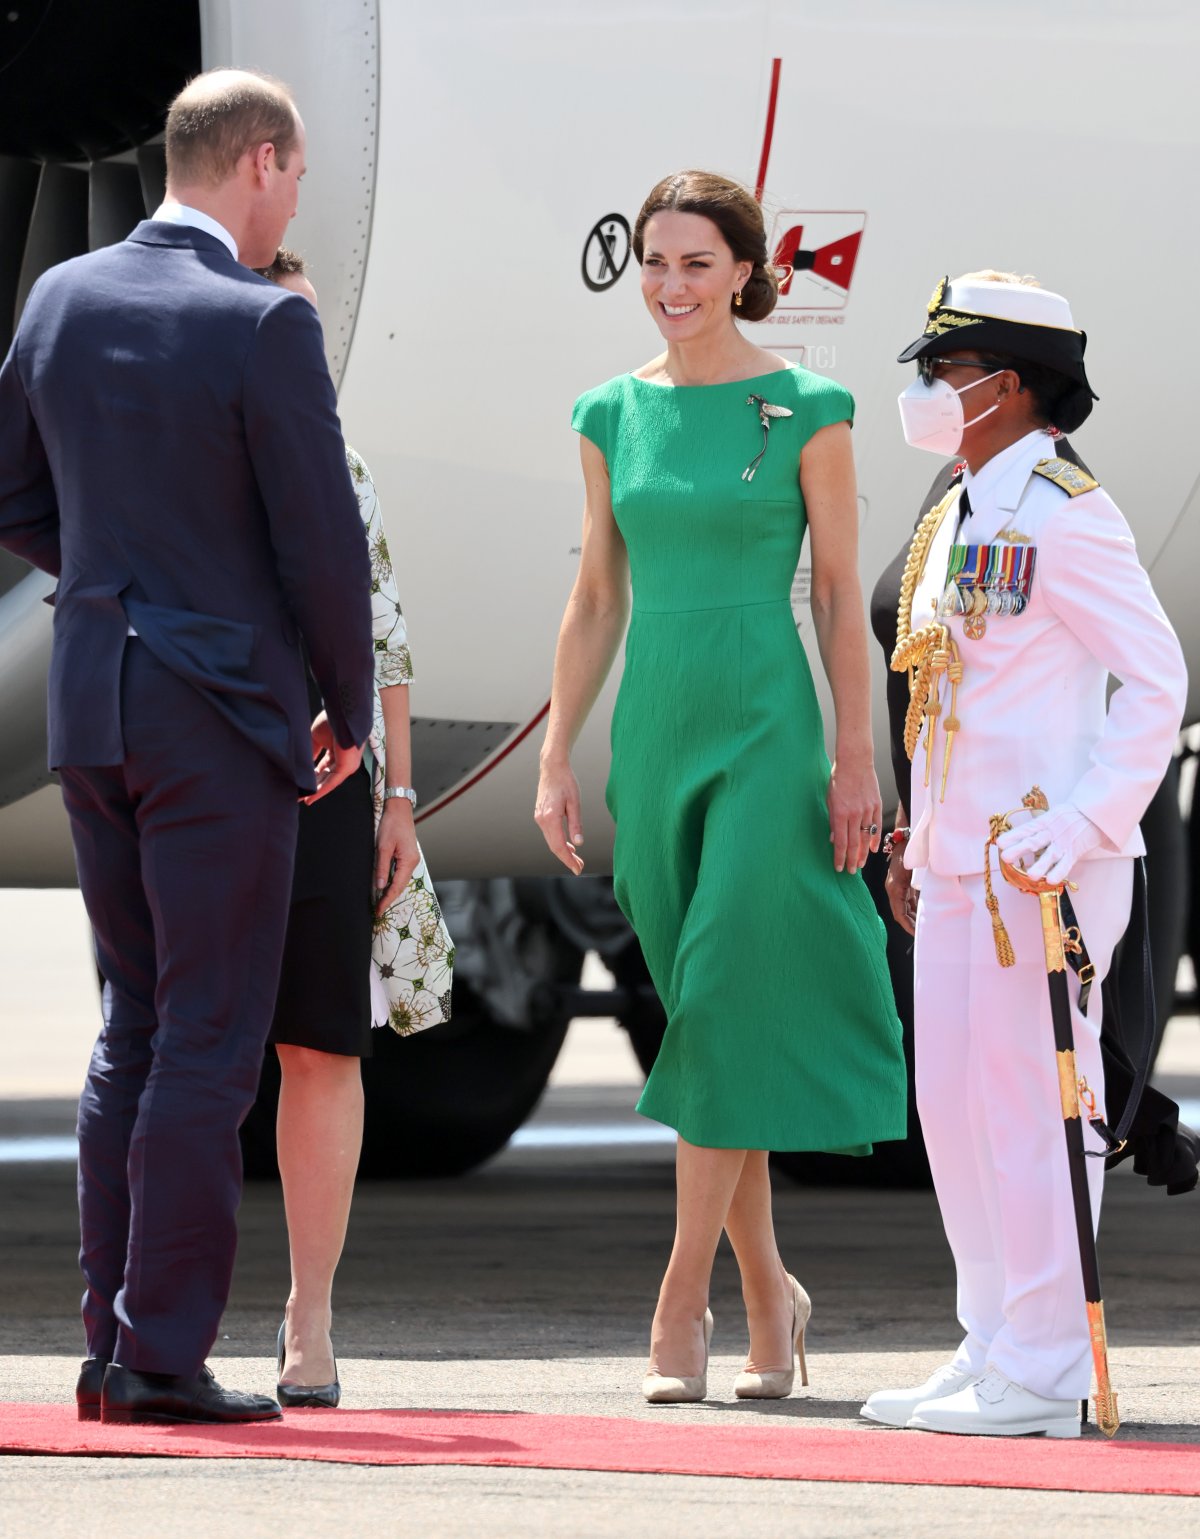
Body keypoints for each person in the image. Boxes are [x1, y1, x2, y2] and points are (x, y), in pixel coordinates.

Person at [0, 69, 375, 1426]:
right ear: (264, 162)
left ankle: (109, 1344)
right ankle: (163, 1352)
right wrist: (342, 699)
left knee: (137, 1027)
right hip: (215, 709)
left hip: (94, 697)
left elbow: (10, 490)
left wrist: (116, 576)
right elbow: (324, 548)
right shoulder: (263, 322)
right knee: (214, 1034)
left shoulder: (62, 296)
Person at [535, 170, 906, 1404]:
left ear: (745, 269)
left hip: (765, 725)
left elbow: (843, 598)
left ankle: (681, 1292)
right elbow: (596, 600)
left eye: (696, 263)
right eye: (654, 261)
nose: (670, 286)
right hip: (655, 731)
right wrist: (554, 756)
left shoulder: (811, 406)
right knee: (709, 1007)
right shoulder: (607, 411)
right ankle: (770, 1294)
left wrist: (859, 758)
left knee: (726, 993)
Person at [862, 273, 1187, 1437]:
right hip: (958, 863)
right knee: (952, 1107)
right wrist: (919, 833)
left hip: (1040, 868)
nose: (926, 391)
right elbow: (949, 690)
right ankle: (993, 1339)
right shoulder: (959, 505)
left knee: (1036, 1110)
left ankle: (1049, 1364)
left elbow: (1157, 679)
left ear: (1006, 386)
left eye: (942, 373)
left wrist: (1092, 821)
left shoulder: (1064, 509)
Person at [255, 250, 453, 1407]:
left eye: (313, 330)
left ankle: (309, 1315)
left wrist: (397, 797)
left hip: (333, 789)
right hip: (215, 779)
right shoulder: (187, 455)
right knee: (192, 1046)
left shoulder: (342, 458)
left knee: (322, 1045)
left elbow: (386, 631)